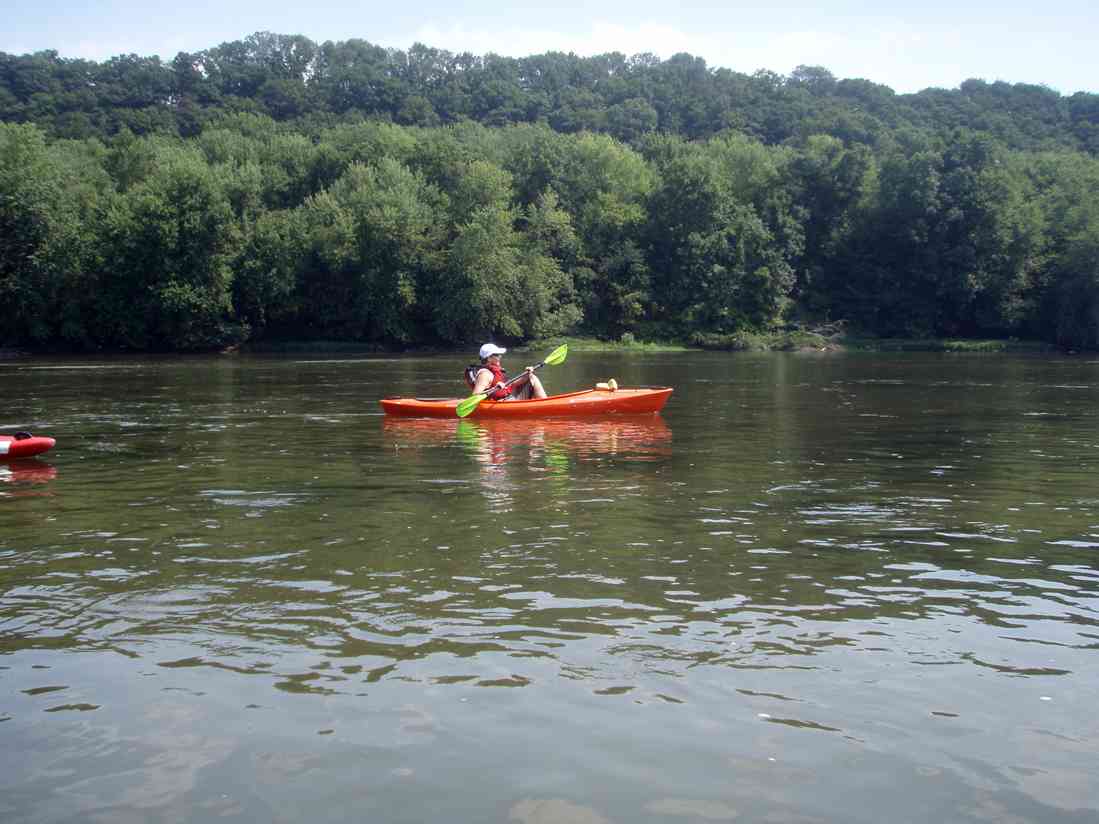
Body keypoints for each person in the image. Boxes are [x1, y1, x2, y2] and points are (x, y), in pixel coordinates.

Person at [469, 343, 548, 401]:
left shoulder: (496, 370)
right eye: (497, 355)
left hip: (508, 399)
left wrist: (527, 374)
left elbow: (511, 384)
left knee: (532, 377)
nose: (500, 356)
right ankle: (545, 405)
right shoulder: (485, 374)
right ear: (489, 358)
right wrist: (495, 388)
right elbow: (475, 396)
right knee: (532, 378)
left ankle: (545, 402)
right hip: (499, 404)